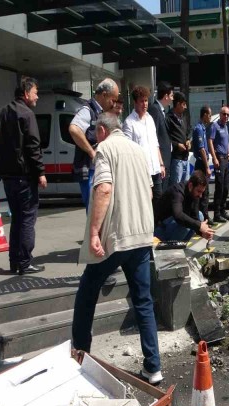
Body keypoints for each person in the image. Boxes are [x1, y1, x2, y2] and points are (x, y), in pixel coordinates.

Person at [71, 112, 162, 384]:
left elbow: (104, 190)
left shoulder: (104, 150)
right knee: (143, 300)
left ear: (101, 130)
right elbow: (147, 192)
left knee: (87, 291)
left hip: (115, 237)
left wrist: (94, 232)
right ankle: (153, 367)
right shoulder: (138, 150)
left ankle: (80, 352)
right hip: (142, 236)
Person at [0, 76, 47, 275]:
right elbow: (33, 146)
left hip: (8, 177)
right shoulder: (27, 114)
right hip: (24, 177)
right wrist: (40, 172)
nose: (37, 97)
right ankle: (24, 262)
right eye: (35, 93)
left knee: (17, 218)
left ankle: (14, 261)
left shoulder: (1, 114)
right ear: (26, 93)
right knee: (26, 219)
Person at [69, 78, 119, 211]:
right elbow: (74, 129)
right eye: (112, 100)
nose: (114, 104)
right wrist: (92, 152)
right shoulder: (87, 110)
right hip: (89, 169)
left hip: (97, 169)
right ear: (104, 95)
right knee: (94, 210)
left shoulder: (101, 113)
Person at [123, 85, 166, 214]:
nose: (145, 104)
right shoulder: (129, 123)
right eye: (141, 101)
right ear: (135, 102)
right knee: (144, 207)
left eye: (146, 100)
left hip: (156, 170)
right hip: (142, 172)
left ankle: (156, 232)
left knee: (158, 205)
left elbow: (155, 144)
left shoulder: (150, 119)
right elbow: (128, 151)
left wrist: (161, 163)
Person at [154, 170, 215, 243]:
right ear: (190, 185)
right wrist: (199, 226)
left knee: (200, 216)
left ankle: (180, 243)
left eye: (202, 192)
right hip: (161, 227)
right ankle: (171, 244)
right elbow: (178, 215)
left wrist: (202, 233)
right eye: (199, 191)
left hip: (173, 224)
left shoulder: (194, 193)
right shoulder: (177, 191)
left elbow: (195, 216)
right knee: (186, 222)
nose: (200, 195)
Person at [208, 106, 229, 223]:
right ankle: (216, 214)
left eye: (228, 114)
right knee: (219, 187)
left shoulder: (226, 126)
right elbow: (210, 141)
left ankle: (223, 210)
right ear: (220, 114)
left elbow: (227, 142)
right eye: (224, 114)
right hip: (219, 159)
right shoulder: (215, 126)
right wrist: (214, 158)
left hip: (226, 160)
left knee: (226, 187)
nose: (226, 116)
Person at [192, 105, 214, 225]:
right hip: (201, 163)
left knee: (204, 192)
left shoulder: (203, 128)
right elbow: (201, 150)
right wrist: (206, 167)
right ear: (205, 114)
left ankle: (203, 215)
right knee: (202, 192)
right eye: (209, 115)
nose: (210, 117)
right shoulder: (199, 129)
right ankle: (203, 217)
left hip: (202, 162)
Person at [148, 81, 174, 180]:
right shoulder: (154, 110)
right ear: (166, 96)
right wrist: (160, 161)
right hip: (160, 159)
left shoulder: (162, 111)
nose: (172, 99)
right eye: (171, 96)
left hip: (166, 158)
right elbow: (154, 136)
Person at [166, 92, 191, 186]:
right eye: (183, 104)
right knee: (176, 188)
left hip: (185, 158)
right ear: (177, 104)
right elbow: (165, 140)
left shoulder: (184, 117)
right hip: (176, 160)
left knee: (186, 188)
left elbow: (187, 133)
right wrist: (177, 145)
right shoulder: (168, 118)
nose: (185, 107)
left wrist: (188, 141)